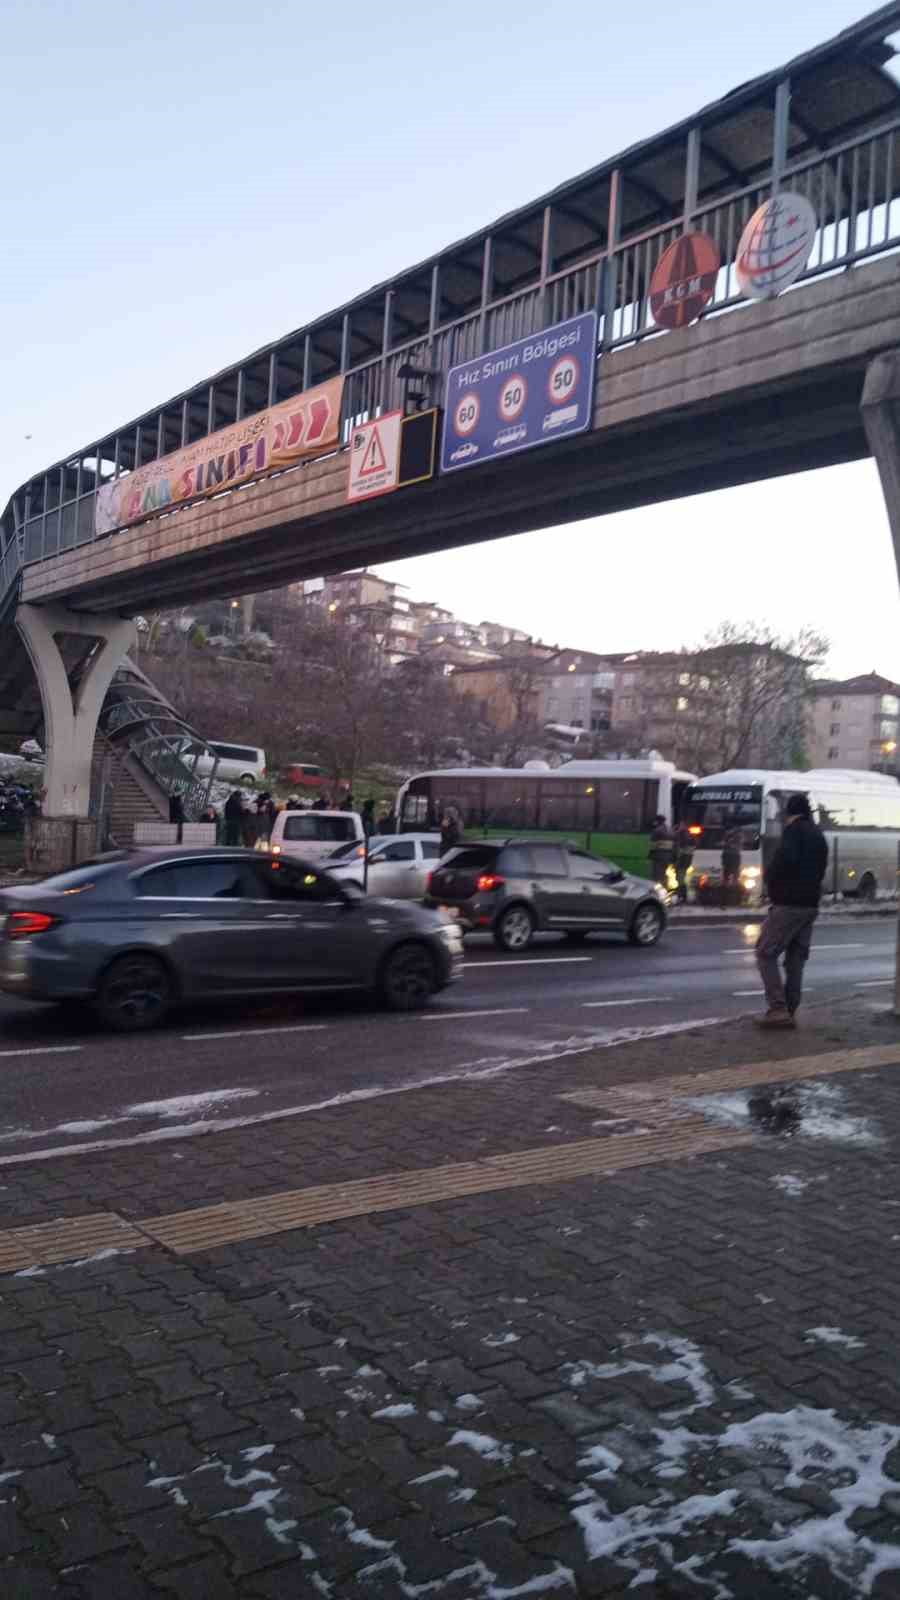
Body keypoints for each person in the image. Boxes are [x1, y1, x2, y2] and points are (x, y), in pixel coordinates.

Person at [755, 793, 828, 1029]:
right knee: (795, 959)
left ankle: (777, 1009)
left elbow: (785, 860)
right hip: (810, 905)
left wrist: (770, 879)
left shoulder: (794, 831)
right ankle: (791, 1007)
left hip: (789, 904)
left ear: (790, 813)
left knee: (765, 952)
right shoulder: (819, 835)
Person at [649, 815, 674, 889]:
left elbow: (653, 845)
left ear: (658, 821)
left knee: (656, 875)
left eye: (656, 821)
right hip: (668, 856)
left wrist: (651, 854)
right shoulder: (670, 830)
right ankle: (666, 888)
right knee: (664, 873)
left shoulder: (657, 830)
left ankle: (656, 891)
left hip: (659, 856)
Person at [674, 821, 693, 905]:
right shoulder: (689, 838)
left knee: (680, 880)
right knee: (680, 879)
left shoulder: (684, 838)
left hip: (682, 863)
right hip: (684, 863)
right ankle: (682, 897)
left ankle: (681, 897)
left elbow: (681, 853)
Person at [721, 825, 742, 893]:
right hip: (729, 856)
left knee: (734, 873)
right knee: (727, 873)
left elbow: (738, 846)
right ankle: (727, 888)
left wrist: (729, 844)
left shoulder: (738, 836)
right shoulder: (727, 836)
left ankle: (733, 888)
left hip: (733, 856)